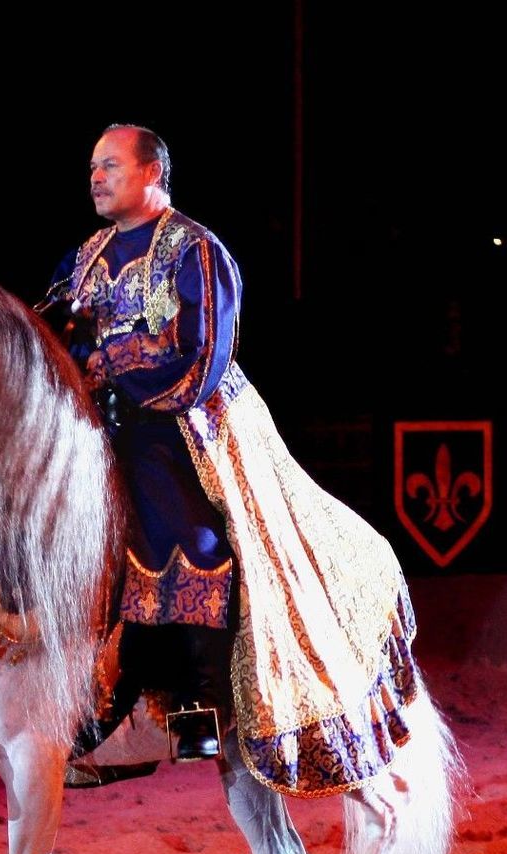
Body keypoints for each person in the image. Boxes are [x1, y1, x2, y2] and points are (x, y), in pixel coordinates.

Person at [45, 124, 426, 798]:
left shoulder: (195, 249)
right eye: (92, 166)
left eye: (110, 165)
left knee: (179, 526)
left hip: (183, 421)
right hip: (99, 417)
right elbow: (46, 336)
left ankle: (194, 698)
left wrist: (110, 365)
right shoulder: (85, 257)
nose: (95, 177)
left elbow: (201, 354)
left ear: (151, 172)